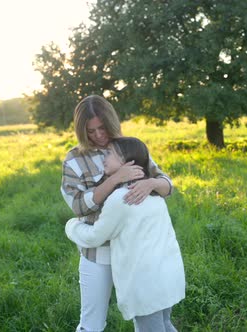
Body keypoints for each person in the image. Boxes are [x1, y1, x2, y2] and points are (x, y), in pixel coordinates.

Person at [61, 95, 173, 332]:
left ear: (111, 122)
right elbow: (79, 206)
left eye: (102, 128)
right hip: (98, 254)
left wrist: (151, 184)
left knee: (146, 316)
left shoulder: (127, 146)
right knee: (91, 323)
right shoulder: (74, 159)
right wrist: (115, 179)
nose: (99, 135)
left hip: (136, 252)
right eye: (90, 131)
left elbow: (166, 184)